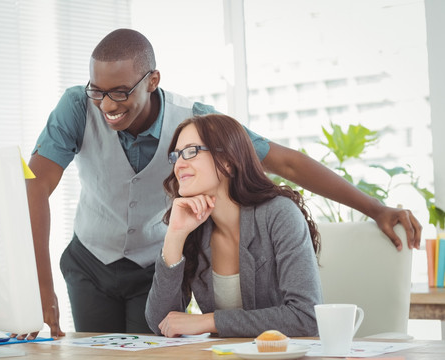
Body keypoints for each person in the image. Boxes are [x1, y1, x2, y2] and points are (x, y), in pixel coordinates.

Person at [26, 28, 421, 339]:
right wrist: (40, 287)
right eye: (99, 91)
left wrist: (376, 207)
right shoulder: (78, 106)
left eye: (120, 92)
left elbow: (287, 163)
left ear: (152, 80)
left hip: (153, 262)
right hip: (92, 258)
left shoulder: (199, 126)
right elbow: (36, 186)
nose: (108, 105)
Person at [145, 114, 322, 338]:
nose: (179, 165)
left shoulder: (279, 215)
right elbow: (160, 322)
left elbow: (306, 317)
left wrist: (210, 321)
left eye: (191, 152)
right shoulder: (194, 227)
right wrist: (175, 235)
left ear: (228, 162)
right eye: (176, 155)